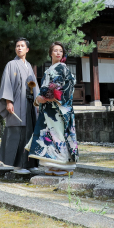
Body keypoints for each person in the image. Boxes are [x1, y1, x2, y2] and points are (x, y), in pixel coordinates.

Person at [27, 41, 78, 176]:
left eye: (60, 51)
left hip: (57, 109)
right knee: (52, 136)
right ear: (50, 53)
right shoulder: (50, 69)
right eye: (55, 50)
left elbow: (59, 87)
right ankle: (55, 166)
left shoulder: (61, 68)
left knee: (58, 136)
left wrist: (46, 96)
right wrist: (39, 99)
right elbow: (46, 87)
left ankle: (63, 166)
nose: (58, 53)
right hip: (51, 109)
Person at [0, 37, 39, 174]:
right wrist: (8, 101)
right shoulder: (11, 64)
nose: (19, 48)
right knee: (18, 132)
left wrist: (37, 101)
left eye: (22, 46)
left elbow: (33, 85)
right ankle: (18, 165)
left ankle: (30, 163)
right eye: (17, 46)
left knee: (30, 132)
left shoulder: (29, 66)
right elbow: (7, 83)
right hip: (17, 104)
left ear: (27, 49)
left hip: (29, 104)